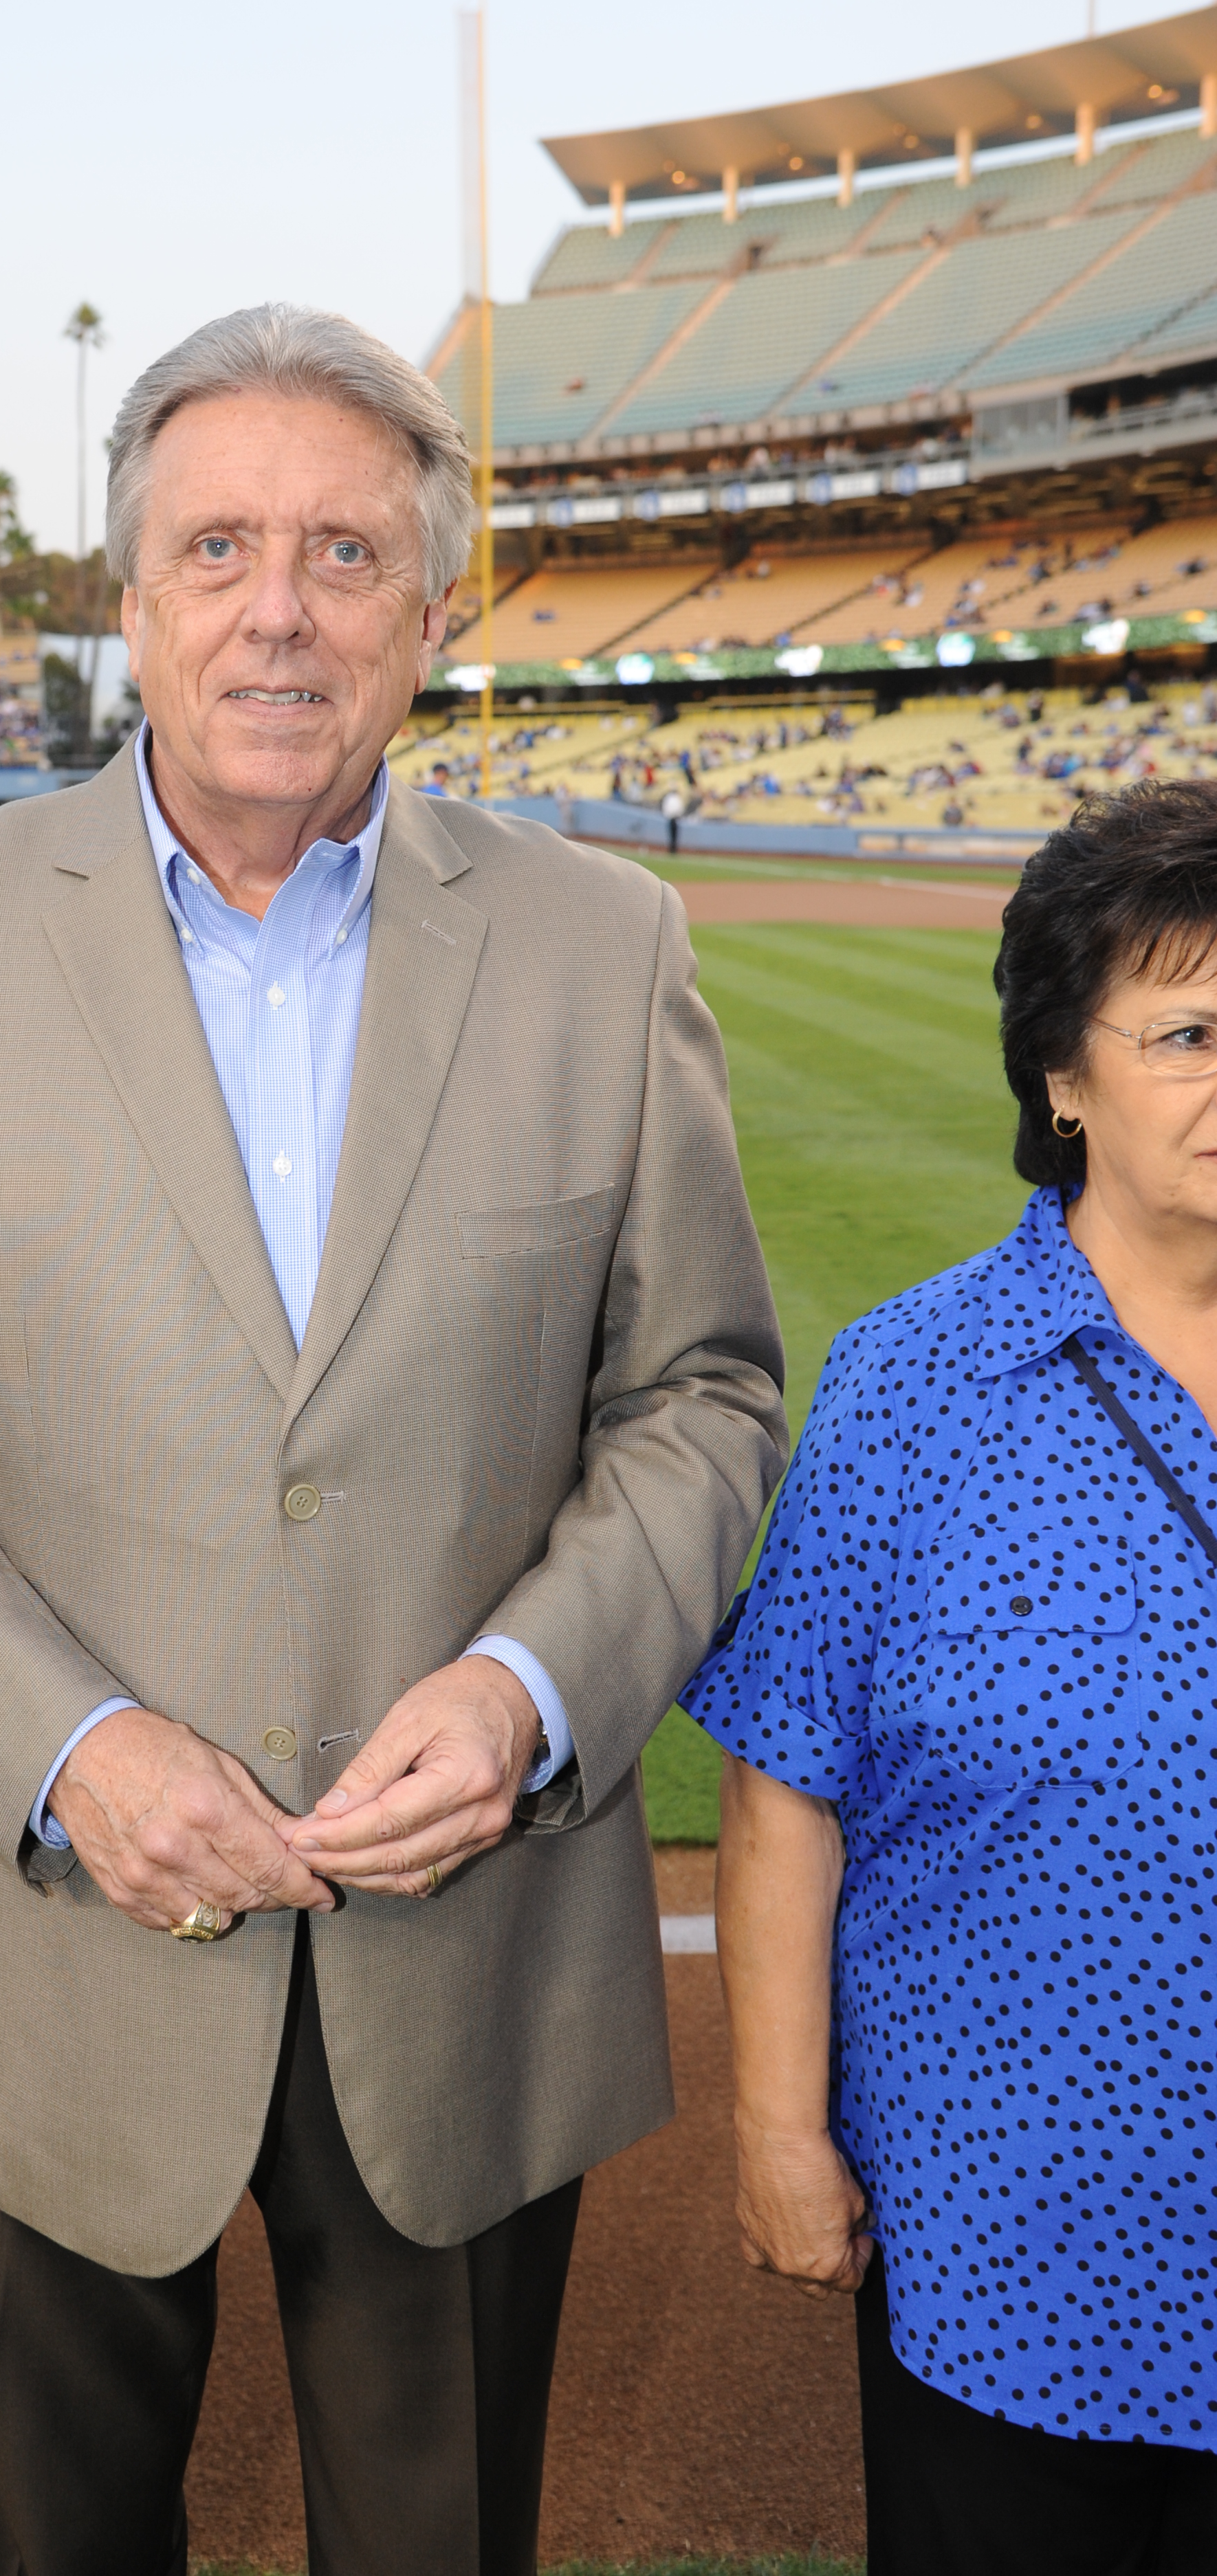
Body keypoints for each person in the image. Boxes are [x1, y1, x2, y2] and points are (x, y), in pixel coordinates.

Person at [0, 303, 787, 2576]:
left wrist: (526, 1698)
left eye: (341, 551)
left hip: (466, 1960)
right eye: (216, 547)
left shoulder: (607, 949)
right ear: (129, 603)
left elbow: (701, 1398)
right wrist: (71, 1746)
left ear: (429, 613)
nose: (277, 608)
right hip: (51, 1962)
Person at [683, 777, 1217, 2576]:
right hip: (1015, 2231)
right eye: (1187, 1030)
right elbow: (785, 1784)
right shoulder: (912, 1386)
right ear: (1063, 1078)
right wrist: (776, 2127)